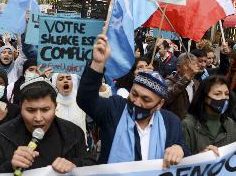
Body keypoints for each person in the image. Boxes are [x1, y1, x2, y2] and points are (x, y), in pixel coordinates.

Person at [77, 35, 190, 168]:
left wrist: (180, 149)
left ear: (159, 104)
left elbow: (185, 156)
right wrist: (97, 63)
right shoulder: (115, 109)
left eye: (146, 99)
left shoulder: (171, 122)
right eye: (134, 94)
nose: (136, 102)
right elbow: (86, 99)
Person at [0, 77, 96, 174]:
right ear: (21, 108)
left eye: (45, 110)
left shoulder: (73, 132)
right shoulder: (2, 134)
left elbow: (90, 164)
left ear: (55, 107)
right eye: (31, 110)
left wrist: (75, 165)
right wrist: (9, 166)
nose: (38, 118)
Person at [182, 76, 236, 155]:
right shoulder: (188, 125)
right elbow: (183, 161)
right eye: (218, 94)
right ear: (205, 97)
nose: (224, 98)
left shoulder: (231, 125)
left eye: (226, 94)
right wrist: (201, 156)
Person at [164, 53, 200, 120]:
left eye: (194, 65)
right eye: (187, 65)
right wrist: (187, 77)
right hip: (176, 123)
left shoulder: (196, 83)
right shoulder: (169, 81)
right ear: (178, 67)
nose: (191, 68)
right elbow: (166, 98)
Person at [52, 73, 87, 138]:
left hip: (80, 144)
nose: (65, 80)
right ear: (55, 84)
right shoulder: (51, 103)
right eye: (61, 79)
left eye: (68, 78)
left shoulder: (81, 100)